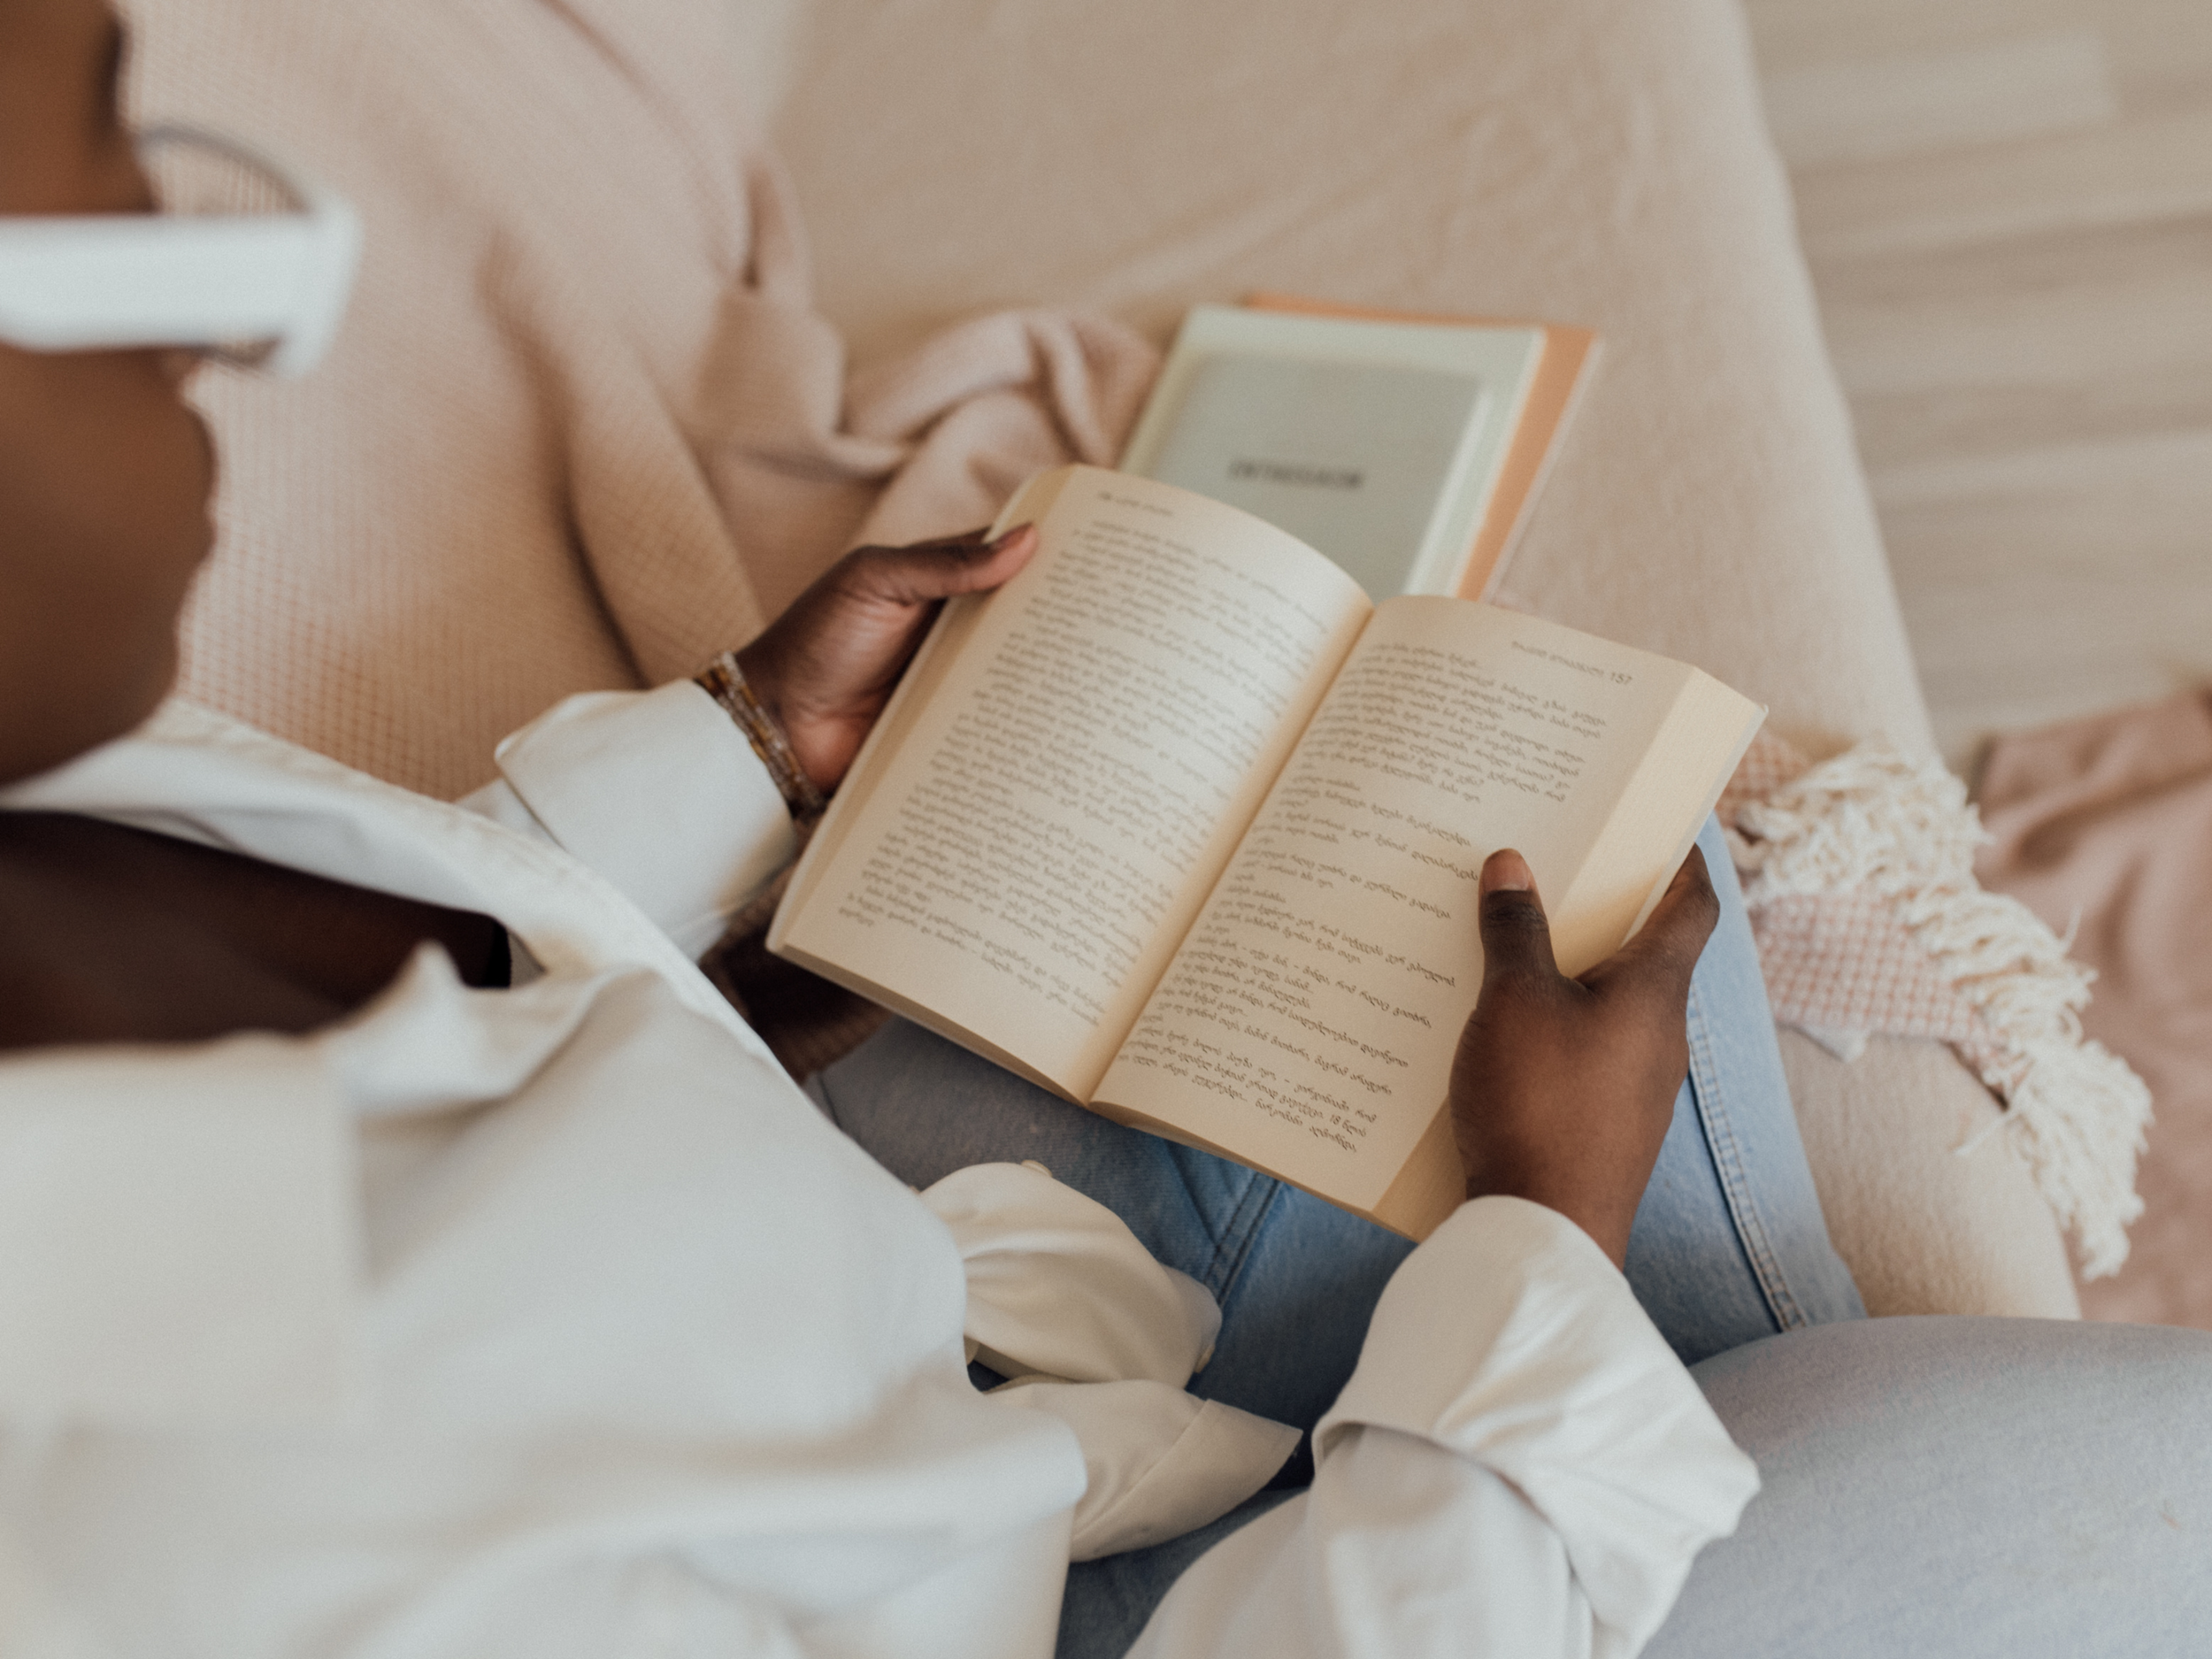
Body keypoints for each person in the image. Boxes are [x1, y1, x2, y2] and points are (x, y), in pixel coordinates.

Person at [6, 6, 2212, 1657]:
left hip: (872, 1253)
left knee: (1539, 878)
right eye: (125, 214)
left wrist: (733, 756)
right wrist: (1541, 1221)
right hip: (1113, 1592)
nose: (218, 317)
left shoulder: (66, 796)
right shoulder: (177, 1527)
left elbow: (438, 1048)